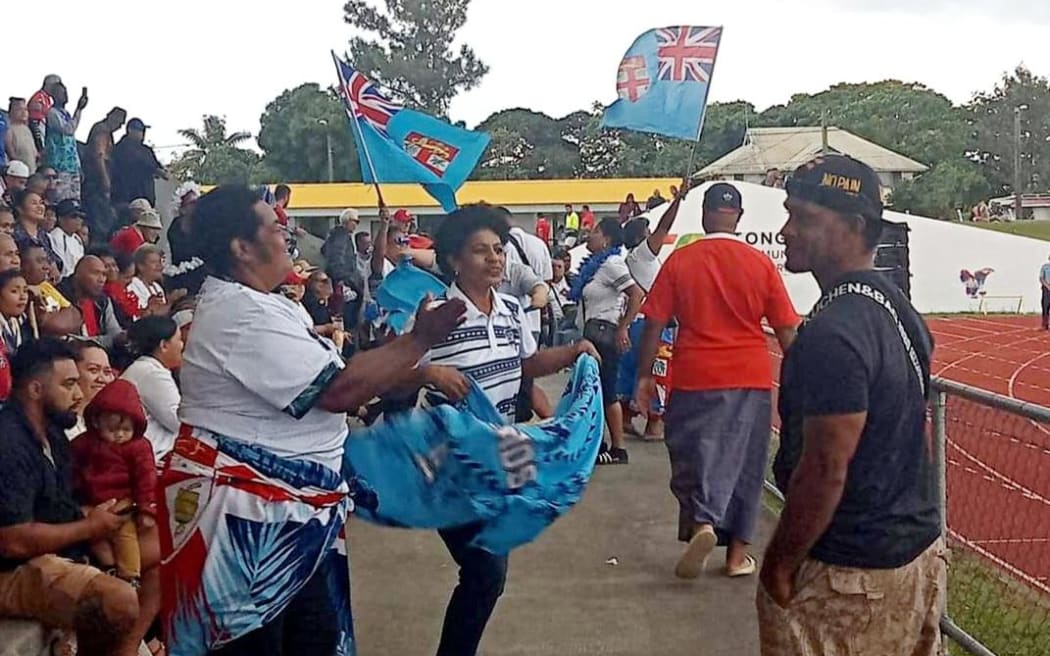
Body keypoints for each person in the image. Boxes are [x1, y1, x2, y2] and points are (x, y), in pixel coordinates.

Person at [159, 184, 466, 655]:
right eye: (276, 226)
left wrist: (406, 366)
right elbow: (338, 392)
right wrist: (418, 342)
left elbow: (348, 379)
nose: (288, 235)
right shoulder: (240, 313)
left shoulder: (271, 304)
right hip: (247, 527)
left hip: (290, 517)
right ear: (241, 248)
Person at [759, 155, 943, 656]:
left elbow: (825, 468)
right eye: (788, 214)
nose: (786, 231)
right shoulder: (894, 307)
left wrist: (779, 563)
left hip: (850, 572)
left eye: (805, 219)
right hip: (911, 552)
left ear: (856, 227)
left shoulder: (834, 333)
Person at [405, 204, 598, 656]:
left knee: (485, 575)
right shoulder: (436, 315)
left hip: (497, 458)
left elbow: (525, 365)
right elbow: (392, 372)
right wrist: (429, 375)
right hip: (447, 461)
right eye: (480, 251)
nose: (495, 258)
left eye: (498, 249)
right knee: (486, 571)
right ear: (454, 259)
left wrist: (573, 353)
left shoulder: (512, 309)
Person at [635, 182, 799, 580]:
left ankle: (702, 522)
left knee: (694, 455)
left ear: (705, 215)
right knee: (745, 463)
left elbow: (654, 320)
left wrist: (643, 375)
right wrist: (803, 379)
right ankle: (736, 556)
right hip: (749, 376)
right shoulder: (760, 264)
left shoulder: (681, 262)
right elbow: (787, 330)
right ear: (738, 217)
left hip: (693, 375)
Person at [0, 338, 150, 656]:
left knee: (165, 545)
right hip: (14, 569)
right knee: (119, 602)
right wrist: (90, 528)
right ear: (36, 389)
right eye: (69, 384)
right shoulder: (8, 442)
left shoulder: (52, 432)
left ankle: (133, 644)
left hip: (56, 550)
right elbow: (12, 541)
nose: (80, 394)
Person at [571, 218, 644, 465]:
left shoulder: (612, 264)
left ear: (607, 239)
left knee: (607, 390)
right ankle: (600, 442)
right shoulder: (597, 266)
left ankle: (618, 447)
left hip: (604, 334)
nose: (589, 235)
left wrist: (623, 327)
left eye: (595, 231)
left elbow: (636, 294)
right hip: (592, 332)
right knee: (595, 389)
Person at [70, 379, 157, 586]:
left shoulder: (138, 447)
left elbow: (147, 479)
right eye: (112, 429)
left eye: (126, 429)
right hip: (91, 504)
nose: (119, 435)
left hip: (123, 505)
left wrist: (147, 509)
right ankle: (108, 567)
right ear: (97, 421)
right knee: (94, 537)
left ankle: (130, 576)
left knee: (125, 537)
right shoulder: (85, 443)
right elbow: (71, 467)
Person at [119, 315, 184, 461]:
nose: (182, 345)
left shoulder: (146, 368)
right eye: (179, 339)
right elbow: (179, 422)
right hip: (155, 458)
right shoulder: (151, 372)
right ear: (164, 345)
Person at [83, 107, 127, 239]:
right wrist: (104, 178)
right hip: (95, 179)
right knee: (99, 215)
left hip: (99, 177)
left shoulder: (107, 132)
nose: (119, 126)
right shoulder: (102, 130)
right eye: (119, 122)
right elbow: (99, 154)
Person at [44, 82, 88, 202]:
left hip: (71, 166)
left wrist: (78, 165)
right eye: (61, 92)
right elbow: (68, 130)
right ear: (53, 95)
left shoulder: (66, 114)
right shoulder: (52, 113)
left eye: (65, 91)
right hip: (59, 164)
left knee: (74, 200)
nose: (65, 95)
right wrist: (79, 109)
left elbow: (72, 143)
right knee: (60, 199)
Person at [110, 118, 166, 211]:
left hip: (147, 200)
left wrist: (160, 170)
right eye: (140, 130)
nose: (142, 133)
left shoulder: (146, 150)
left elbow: (156, 165)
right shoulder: (122, 147)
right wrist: (154, 169)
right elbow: (137, 163)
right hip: (127, 198)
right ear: (130, 130)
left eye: (143, 131)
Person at [50, 198, 87, 278]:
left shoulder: (77, 238)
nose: (79, 219)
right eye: (74, 216)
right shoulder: (56, 235)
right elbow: (63, 268)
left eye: (81, 216)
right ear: (60, 219)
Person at [5, 99, 38, 172]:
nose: (23, 112)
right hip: (18, 169)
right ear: (11, 112)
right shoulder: (9, 128)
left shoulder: (27, 129)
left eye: (25, 109)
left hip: (31, 167)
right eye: (19, 109)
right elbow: (10, 150)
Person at [1040, 254, 1050, 330]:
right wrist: (1047, 286)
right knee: (1045, 306)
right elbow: (1041, 278)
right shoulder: (1045, 267)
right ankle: (1045, 324)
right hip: (1046, 289)